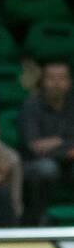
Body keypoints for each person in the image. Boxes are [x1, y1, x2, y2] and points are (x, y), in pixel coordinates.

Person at [20, 60, 74, 224]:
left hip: (69, 164)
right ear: (42, 82)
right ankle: (39, 218)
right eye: (51, 78)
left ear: (70, 82)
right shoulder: (30, 107)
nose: (56, 83)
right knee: (47, 168)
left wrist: (55, 142)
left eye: (61, 78)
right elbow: (34, 147)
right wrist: (66, 146)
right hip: (35, 164)